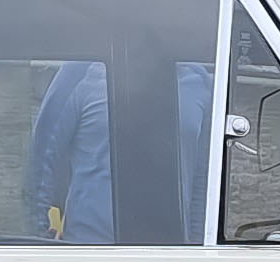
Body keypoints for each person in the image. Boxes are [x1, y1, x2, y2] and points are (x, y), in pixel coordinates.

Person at [20, 58, 212, 243]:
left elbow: (202, 179)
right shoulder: (80, 70)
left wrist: (197, 248)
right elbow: (41, 157)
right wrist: (37, 239)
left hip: (170, 258)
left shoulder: (199, 82)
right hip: (89, 256)